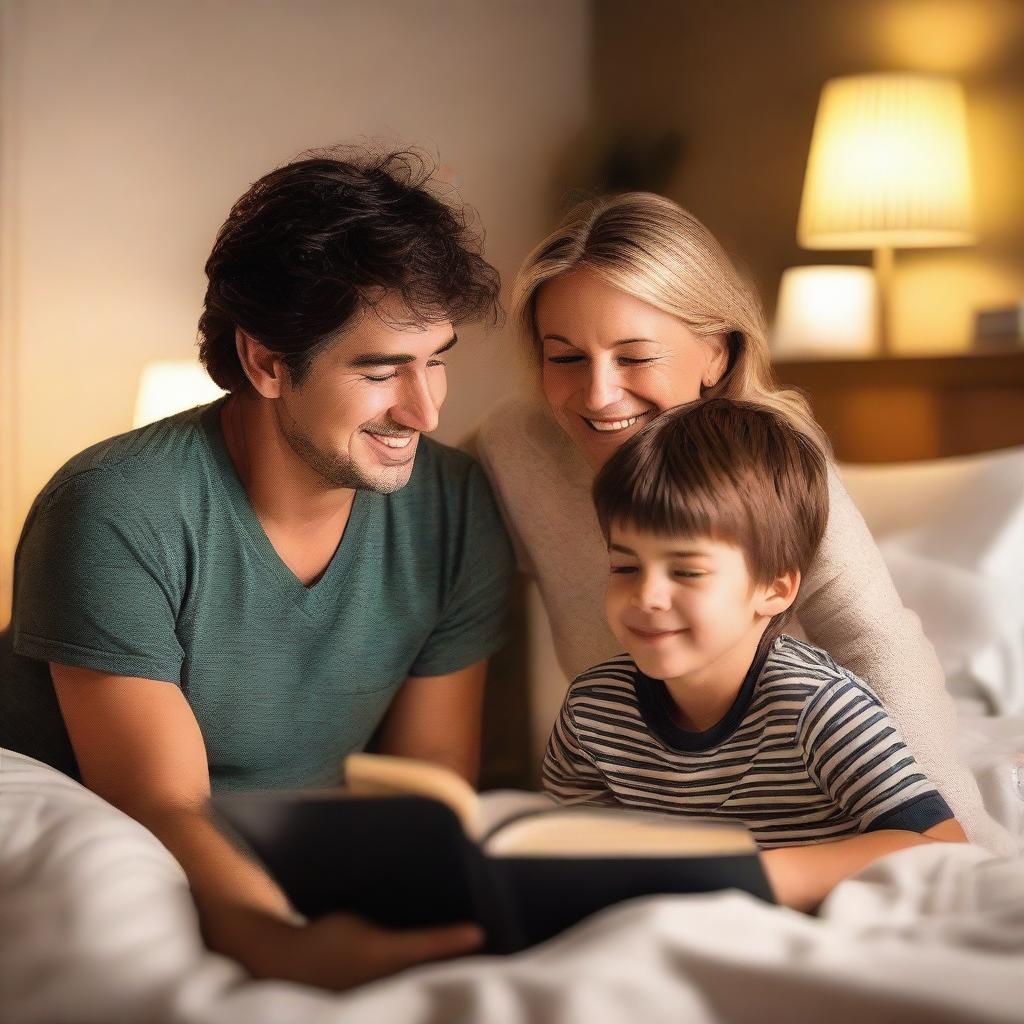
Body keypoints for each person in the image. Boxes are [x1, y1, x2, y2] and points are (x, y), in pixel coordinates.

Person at [2, 149, 516, 989]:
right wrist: (284, 948)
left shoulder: (453, 507)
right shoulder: (113, 507)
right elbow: (160, 804)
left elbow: (426, 783)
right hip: (82, 825)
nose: (425, 410)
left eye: (437, 359)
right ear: (268, 362)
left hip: (289, 848)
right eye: (381, 369)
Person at [477, 191, 1011, 855]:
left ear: (717, 353)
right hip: (643, 773)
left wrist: (955, 835)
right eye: (566, 356)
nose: (598, 394)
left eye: (635, 356)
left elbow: (872, 636)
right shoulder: (513, 446)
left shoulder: (777, 455)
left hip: (803, 772)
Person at [542, 397, 967, 912]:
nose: (647, 595)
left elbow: (945, 848)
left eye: (686, 571)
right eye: (625, 568)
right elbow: (569, 848)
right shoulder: (592, 710)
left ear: (775, 588)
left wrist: (751, 877)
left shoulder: (818, 706)